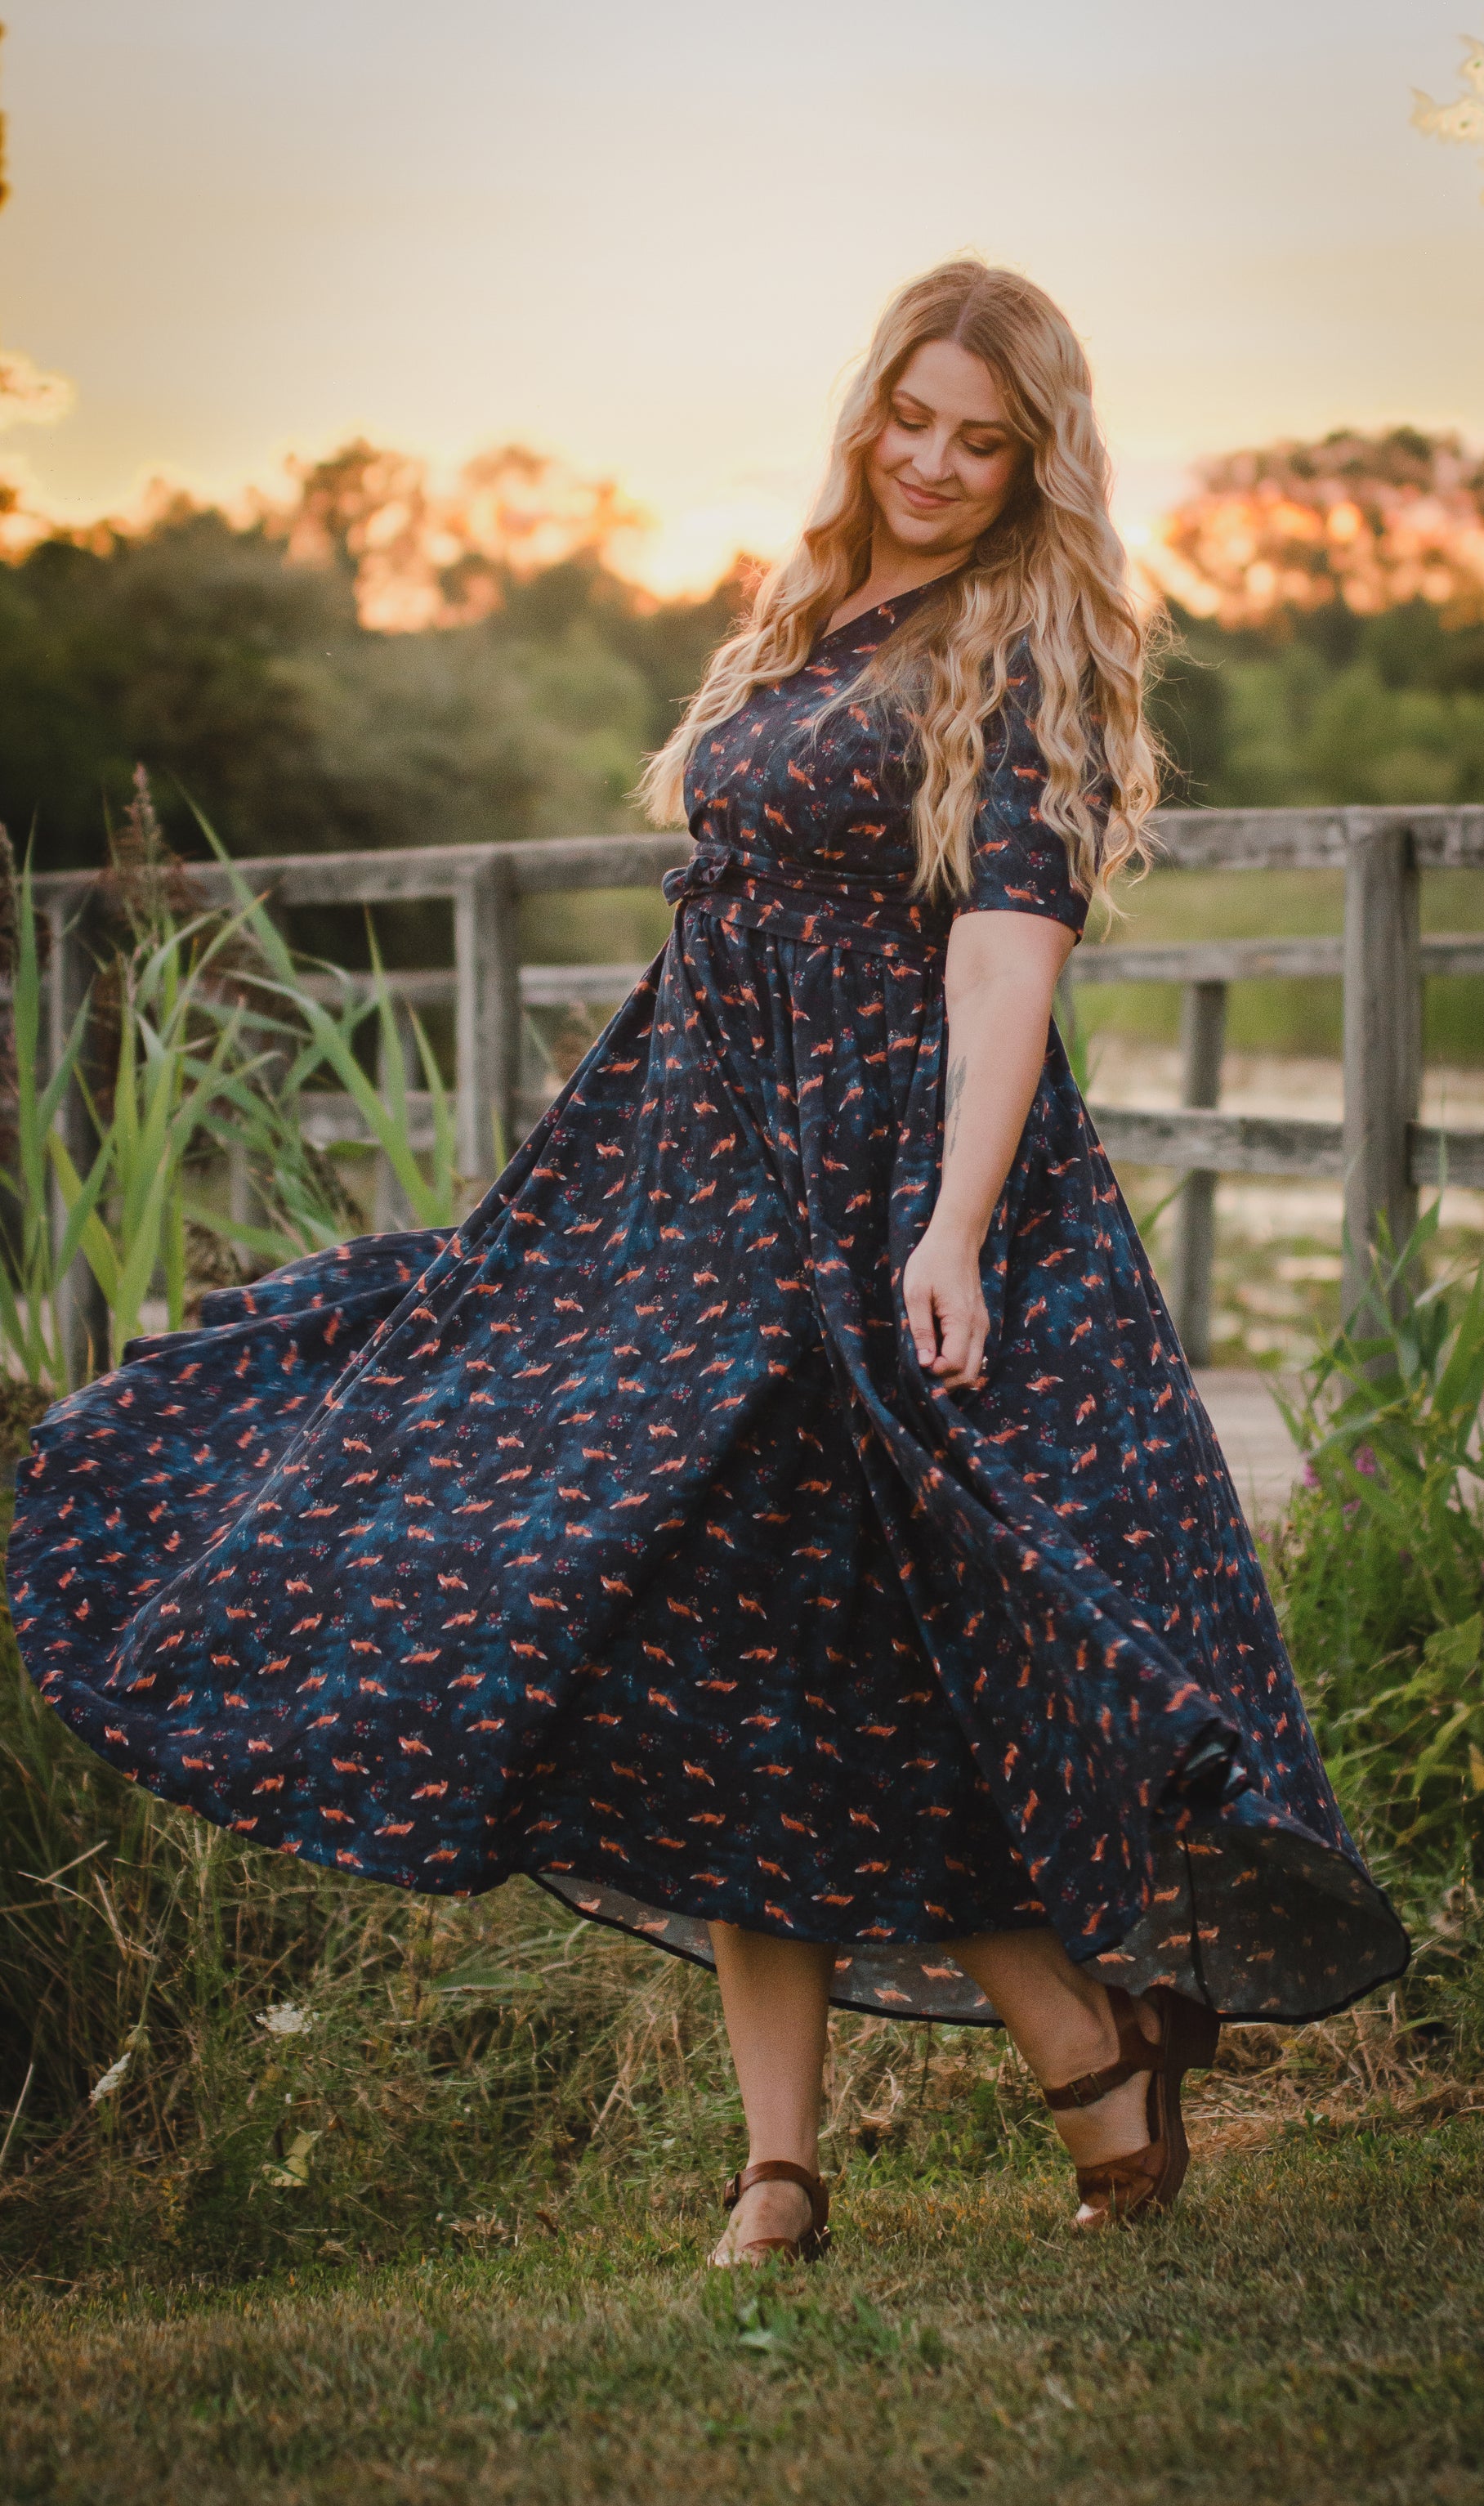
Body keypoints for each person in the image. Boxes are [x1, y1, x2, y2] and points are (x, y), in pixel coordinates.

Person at [7, 260, 1407, 2262]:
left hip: (872, 1204)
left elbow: (1007, 961)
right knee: (720, 1647)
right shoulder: (805, 607)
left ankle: (1073, 2060)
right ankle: (806, 2153)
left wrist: (943, 1224)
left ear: (1033, 462)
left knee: (873, 1666)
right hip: (692, 1186)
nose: (930, 463)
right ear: (868, 412)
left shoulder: (1020, 647)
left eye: (977, 439)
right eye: (908, 420)